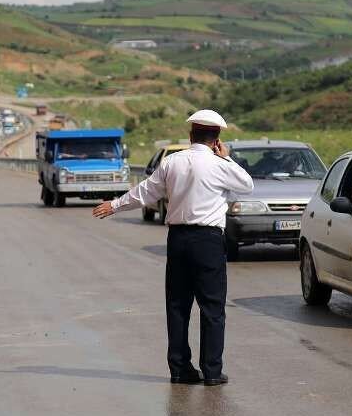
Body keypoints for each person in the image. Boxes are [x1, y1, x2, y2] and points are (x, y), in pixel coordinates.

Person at [92, 109, 253, 386]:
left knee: (178, 306)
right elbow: (247, 185)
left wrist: (115, 205)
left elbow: (145, 192)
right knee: (212, 307)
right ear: (217, 139)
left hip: (178, 240)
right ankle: (212, 371)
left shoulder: (172, 162)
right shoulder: (220, 164)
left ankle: (180, 369)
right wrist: (225, 156)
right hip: (208, 241)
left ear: (191, 135)